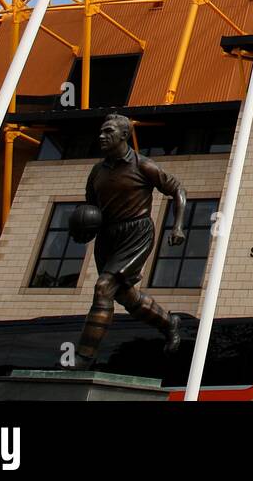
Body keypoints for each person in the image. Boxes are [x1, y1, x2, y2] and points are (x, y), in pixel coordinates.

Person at [75, 113, 186, 367]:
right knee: (125, 296)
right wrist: (81, 226)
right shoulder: (97, 171)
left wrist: (177, 226)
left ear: (124, 135)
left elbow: (178, 189)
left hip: (136, 233)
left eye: (108, 131)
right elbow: (90, 208)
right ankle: (170, 323)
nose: (102, 136)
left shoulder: (142, 164)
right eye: (101, 132)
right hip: (108, 236)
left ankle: (83, 357)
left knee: (103, 287)